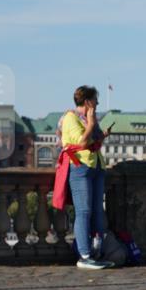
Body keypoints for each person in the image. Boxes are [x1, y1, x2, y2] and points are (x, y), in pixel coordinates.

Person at [58, 85, 115, 270]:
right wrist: (91, 125)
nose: (97, 104)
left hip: (96, 166)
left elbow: (94, 140)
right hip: (80, 168)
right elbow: (81, 142)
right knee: (83, 211)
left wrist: (102, 134)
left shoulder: (90, 119)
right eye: (95, 100)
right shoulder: (70, 118)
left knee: (97, 210)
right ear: (87, 101)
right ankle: (84, 255)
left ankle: (96, 253)